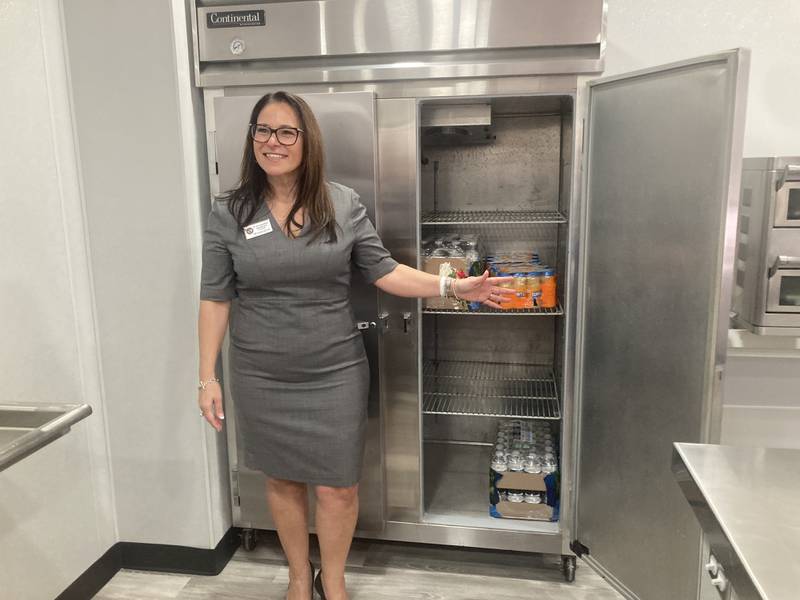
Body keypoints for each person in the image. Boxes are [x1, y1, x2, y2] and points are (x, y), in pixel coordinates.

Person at [197, 91, 512, 600]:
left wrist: (452, 286)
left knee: (339, 485)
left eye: (286, 132)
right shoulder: (229, 213)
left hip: (334, 370)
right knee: (281, 481)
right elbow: (214, 298)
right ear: (250, 137)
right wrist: (206, 375)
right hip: (261, 373)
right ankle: (300, 577)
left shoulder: (341, 203)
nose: (272, 142)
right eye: (262, 130)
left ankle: (334, 579)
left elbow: (385, 271)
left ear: (307, 141)